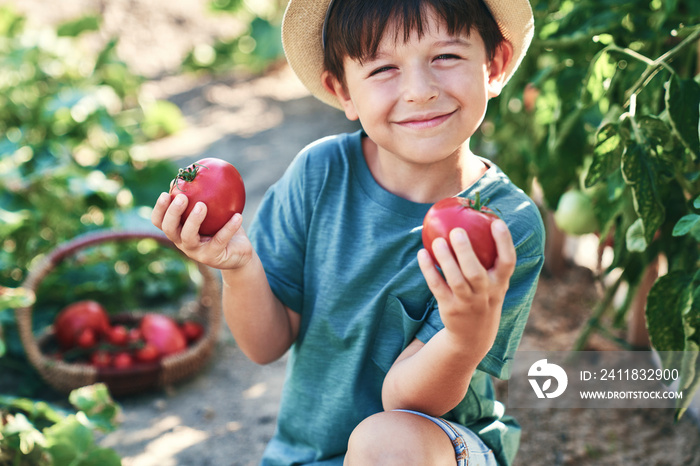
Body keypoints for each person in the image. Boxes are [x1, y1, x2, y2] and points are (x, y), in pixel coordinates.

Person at [151, 0, 544, 464]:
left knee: (386, 443)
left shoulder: (505, 224)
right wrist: (239, 269)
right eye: (383, 69)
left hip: (432, 448)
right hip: (308, 454)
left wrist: (464, 339)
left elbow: (406, 402)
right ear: (343, 91)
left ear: (493, 65)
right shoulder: (318, 175)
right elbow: (265, 345)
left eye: (446, 57)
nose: (419, 90)